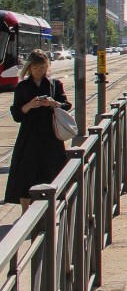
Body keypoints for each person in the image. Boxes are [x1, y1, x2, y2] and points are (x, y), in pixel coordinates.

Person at [6, 50, 72, 211]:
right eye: (36, 68)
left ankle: (54, 209)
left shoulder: (54, 84)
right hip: (29, 136)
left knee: (52, 171)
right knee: (26, 173)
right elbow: (16, 114)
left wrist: (53, 103)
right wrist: (28, 106)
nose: (39, 71)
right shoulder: (22, 86)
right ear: (29, 67)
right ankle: (25, 212)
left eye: (42, 67)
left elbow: (66, 105)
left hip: (51, 136)